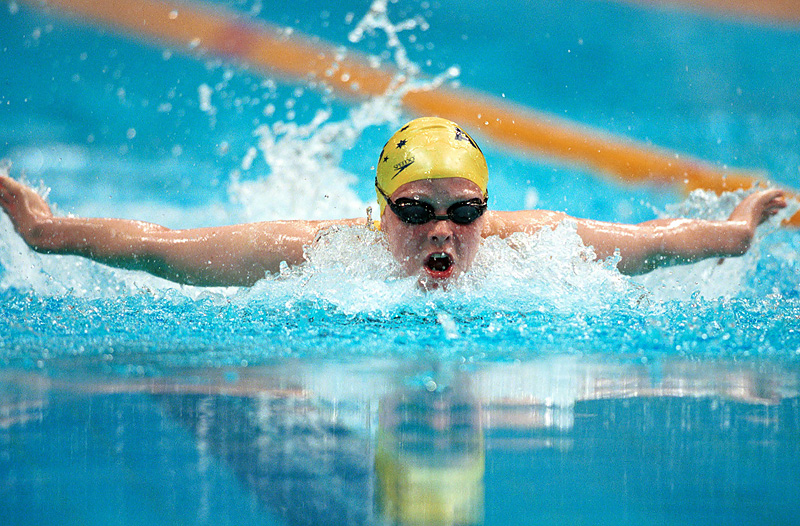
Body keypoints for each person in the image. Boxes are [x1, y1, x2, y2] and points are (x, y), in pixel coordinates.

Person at [0, 117, 787, 287]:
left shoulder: (538, 248)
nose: (442, 230)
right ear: (379, 209)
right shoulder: (314, 255)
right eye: (415, 211)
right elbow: (161, 246)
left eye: (464, 211)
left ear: (487, 210)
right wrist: (41, 227)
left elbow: (662, 240)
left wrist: (740, 226)